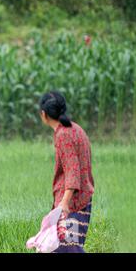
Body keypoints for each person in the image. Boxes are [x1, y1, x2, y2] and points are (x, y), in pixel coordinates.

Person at [39, 91, 95, 253]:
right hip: (82, 198)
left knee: (68, 248)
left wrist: (64, 203)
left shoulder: (63, 135)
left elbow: (72, 171)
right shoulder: (75, 129)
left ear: (44, 114)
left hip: (72, 203)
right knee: (60, 247)